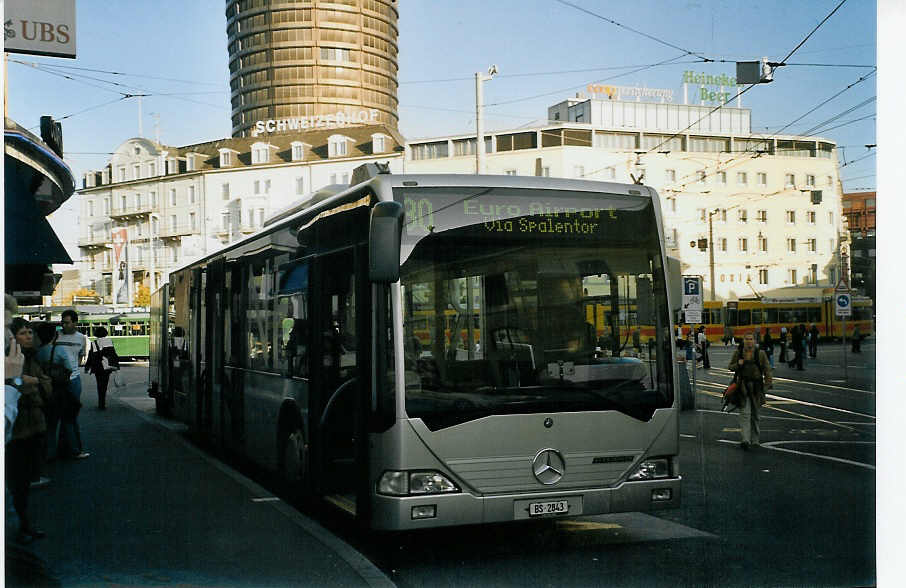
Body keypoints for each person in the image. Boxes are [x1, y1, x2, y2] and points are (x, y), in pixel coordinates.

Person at [5, 318, 52, 543]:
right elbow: (17, 387)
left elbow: (45, 385)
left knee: (23, 482)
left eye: (30, 333)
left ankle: (23, 526)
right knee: (18, 483)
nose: (29, 337)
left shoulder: (32, 358)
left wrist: (33, 383)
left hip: (33, 427)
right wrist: (30, 384)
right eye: (23, 333)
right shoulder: (12, 361)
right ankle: (19, 529)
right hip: (17, 430)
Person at [34, 322, 75, 482]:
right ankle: (55, 452)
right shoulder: (59, 350)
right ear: (54, 335)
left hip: (41, 391)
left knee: (46, 424)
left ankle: (45, 453)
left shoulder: (37, 352)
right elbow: (69, 368)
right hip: (57, 391)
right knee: (59, 422)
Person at [728, 332, 772, 450]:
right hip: (743, 387)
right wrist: (738, 364)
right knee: (745, 414)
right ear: (743, 340)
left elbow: (767, 370)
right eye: (746, 339)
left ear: (755, 341)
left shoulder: (760, 354)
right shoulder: (738, 353)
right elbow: (730, 367)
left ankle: (755, 440)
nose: (749, 341)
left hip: (757, 388)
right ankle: (745, 440)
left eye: (751, 339)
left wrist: (767, 386)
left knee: (755, 415)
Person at [55, 309, 89, 459]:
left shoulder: (81, 338)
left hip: (73, 380)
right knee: (62, 415)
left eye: (67, 322)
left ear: (75, 323)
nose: (64, 325)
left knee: (70, 415)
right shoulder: (56, 336)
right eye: (63, 322)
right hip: (58, 380)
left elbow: (81, 357)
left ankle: (66, 447)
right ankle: (71, 448)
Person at [85, 326, 120, 410]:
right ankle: (103, 403)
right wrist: (116, 365)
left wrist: (87, 366)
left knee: (99, 385)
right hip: (106, 367)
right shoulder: (109, 342)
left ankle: (101, 403)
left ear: (96, 334)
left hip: (97, 367)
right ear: (105, 333)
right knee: (104, 385)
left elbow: (91, 356)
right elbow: (113, 355)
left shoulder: (94, 343)